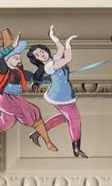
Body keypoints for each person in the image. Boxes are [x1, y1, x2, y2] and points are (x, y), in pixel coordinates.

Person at [0, 29, 57, 154]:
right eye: (15, 57)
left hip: (13, 98)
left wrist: (51, 78)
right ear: (7, 60)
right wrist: (12, 46)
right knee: (33, 112)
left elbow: (34, 77)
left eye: (19, 57)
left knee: (7, 121)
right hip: (6, 98)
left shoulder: (20, 72)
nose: (18, 60)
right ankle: (48, 142)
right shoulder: (3, 69)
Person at [27, 25, 87, 158]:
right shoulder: (49, 66)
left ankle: (36, 134)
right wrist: (68, 43)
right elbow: (67, 58)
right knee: (75, 119)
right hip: (60, 96)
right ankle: (76, 148)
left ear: (45, 50)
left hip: (64, 94)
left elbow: (60, 50)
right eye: (38, 55)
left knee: (66, 117)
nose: (41, 54)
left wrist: (53, 37)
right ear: (37, 59)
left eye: (41, 51)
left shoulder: (53, 58)